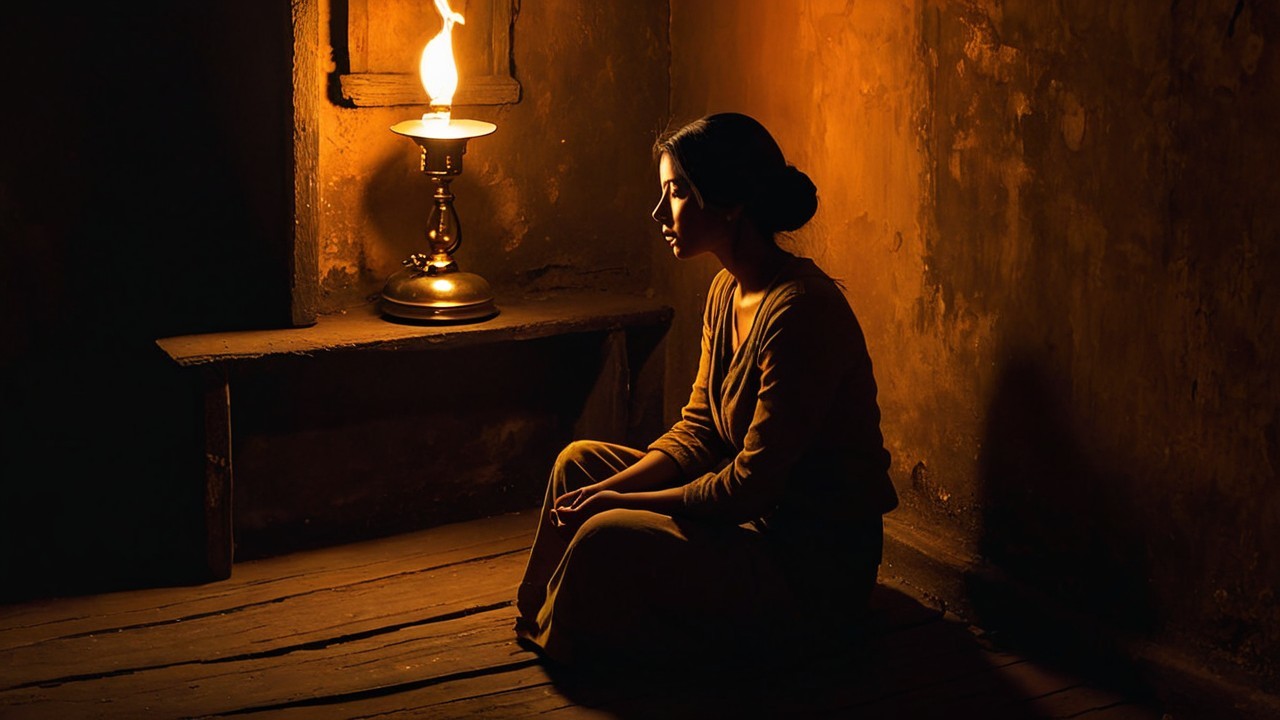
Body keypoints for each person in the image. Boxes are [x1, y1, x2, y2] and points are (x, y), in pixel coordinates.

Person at [514, 112, 898, 672]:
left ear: (729, 202)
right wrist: (608, 490)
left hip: (807, 569)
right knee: (579, 465)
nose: (658, 213)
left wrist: (619, 503)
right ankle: (549, 613)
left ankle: (584, 636)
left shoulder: (801, 313)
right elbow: (699, 430)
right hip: (747, 530)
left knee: (607, 529)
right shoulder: (726, 289)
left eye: (675, 194)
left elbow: (748, 488)